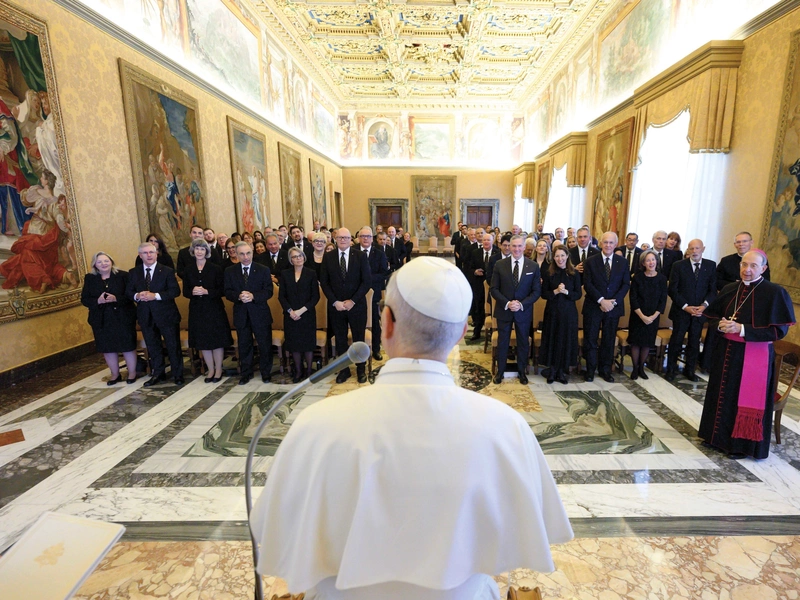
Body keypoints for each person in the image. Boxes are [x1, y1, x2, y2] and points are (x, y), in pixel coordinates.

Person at [250, 256, 573, 599]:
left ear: (386, 323)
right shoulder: (506, 426)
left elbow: (270, 531)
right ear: (462, 332)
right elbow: (524, 532)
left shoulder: (317, 425)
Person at [698, 250, 795, 459]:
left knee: (738, 396)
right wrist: (721, 325)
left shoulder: (774, 293)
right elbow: (712, 317)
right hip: (725, 353)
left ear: (763, 269)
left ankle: (740, 446)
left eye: (753, 266)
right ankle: (715, 438)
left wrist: (741, 329)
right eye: (744, 265)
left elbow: (778, 331)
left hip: (753, 355)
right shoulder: (730, 288)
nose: (747, 270)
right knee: (721, 393)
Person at [126, 242, 184, 386]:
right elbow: (128, 292)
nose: (149, 255)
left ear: (156, 253)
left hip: (166, 315)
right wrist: (137, 296)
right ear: (140, 255)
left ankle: (178, 374)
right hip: (145, 315)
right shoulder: (134, 272)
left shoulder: (167, 271)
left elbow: (174, 291)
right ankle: (158, 373)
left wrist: (155, 296)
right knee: (153, 346)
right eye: (145, 253)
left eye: (152, 252)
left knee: (173, 345)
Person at [320, 227, 372, 383]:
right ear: (335, 239)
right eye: (340, 237)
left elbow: (366, 282)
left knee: (358, 339)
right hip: (336, 307)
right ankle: (344, 370)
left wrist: (352, 301)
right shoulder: (328, 257)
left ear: (351, 240)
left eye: (346, 238)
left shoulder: (361, 256)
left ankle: (361, 369)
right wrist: (335, 302)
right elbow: (324, 282)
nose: (343, 240)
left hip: (356, 306)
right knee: (341, 340)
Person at [81, 251, 138, 385]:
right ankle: (115, 374)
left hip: (122, 316)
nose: (103, 264)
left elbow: (131, 295)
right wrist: (98, 301)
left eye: (106, 261)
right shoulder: (90, 278)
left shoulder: (123, 275)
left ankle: (132, 372)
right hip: (101, 318)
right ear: (95, 265)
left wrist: (116, 298)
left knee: (127, 345)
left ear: (111, 262)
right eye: (99, 262)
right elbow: (84, 299)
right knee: (107, 347)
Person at [490, 235, 541, 384]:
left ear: (524, 247)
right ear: (509, 247)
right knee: (503, 341)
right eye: (514, 246)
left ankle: (522, 372)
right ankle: (500, 372)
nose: (517, 249)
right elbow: (494, 289)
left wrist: (521, 304)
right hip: (504, 309)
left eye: (520, 246)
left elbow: (536, 291)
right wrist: (508, 303)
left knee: (523, 342)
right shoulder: (500, 264)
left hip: (523, 311)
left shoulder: (533, 266)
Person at [665, 239, 717, 382]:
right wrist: (686, 307)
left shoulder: (711, 266)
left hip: (700, 312)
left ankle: (690, 370)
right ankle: (670, 369)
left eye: (697, 248)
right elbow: (673, 290)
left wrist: (704, 305)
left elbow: (713, 290)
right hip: (681, 311)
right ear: (688, 250)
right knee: (676, 341)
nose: (694, 251)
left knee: (694, 342)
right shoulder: (678, 266)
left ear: (703, 249)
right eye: (691, 248)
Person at [582, 232, 630, 383]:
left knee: (609, 340)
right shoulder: (590, 261)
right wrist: (602, 300)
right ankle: (590, 370)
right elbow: (588, 284)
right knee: (590, 339)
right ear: (600, 243)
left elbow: (625, 284)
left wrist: (612, 302)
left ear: (616, 245)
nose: (608, 245)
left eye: (611, 243)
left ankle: (605, 370)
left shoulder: (622, 262)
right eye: (605, 242)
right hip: (594, 306)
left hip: (613, 308)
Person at [224, 241, 275, 384]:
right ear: (236, 254)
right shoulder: (230, 271)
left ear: (252, 252)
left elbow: (269, 291)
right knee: (244, 345)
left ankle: (266, 372)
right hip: (241, 313)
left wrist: (253, 296)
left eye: (248, 253)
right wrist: (238, 296)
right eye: (242, 254)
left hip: (260, 313)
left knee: (264, 345)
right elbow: (227, 292)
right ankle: (246, 373)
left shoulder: (263, 269)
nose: (245, 257)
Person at [183, 239, 232, 383]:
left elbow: (222, 290)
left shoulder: (215, 268)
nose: (199, 251)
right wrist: (192, 291)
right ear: (193, 251)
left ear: (207, 251)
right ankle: (210, 369)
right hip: (197, 309)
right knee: (203, 340)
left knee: (216, 340)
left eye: (202, 249)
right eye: (197, 248)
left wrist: (207, 291)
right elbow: (185, 291)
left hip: (214, 308)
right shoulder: (188, 269)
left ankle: (218, 369)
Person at [539, 246, 581, 384]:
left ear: (567, 256)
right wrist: (556, 291)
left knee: (565, 340)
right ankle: (552, 370)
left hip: (568, 313)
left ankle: (562, 371)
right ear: (553, 258)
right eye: (557, 256)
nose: (560, 259)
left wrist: (566, 292)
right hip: (552, 311)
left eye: (562, 256)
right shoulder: (548, 273)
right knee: (552, 339)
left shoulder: (574, 273)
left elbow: (578, 294)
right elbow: (544, 293)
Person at [279, 247, 320, 382]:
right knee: (294, 345)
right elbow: (281, 297)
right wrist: (291, 311)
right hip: (290, 316)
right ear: (291, 260)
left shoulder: (311, 273)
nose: (298, 258)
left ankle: (308, 371)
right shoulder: (285, 274)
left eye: (300, 256)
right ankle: (298, 371)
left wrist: (301, 310)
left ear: (304, 257)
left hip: (306, 314)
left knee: (307, 344)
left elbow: (315, 297)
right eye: (295, 257)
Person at [627, 250, 667, 380]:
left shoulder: (662, 278)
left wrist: (653, 317)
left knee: (646, 343)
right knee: (636, 342)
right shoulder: (637, 277)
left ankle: (641, 368)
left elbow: (663, 300)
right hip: (638, 315)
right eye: (648, 260)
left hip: (653, 317)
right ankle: (634, 368)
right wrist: (642, 316)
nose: (651, 262)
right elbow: (633, 298)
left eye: (653, 259)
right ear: (643, 263)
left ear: (657, 261)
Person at [359, 226, 389, 360]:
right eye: (363, 236)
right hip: (357, 293)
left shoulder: (379, 253)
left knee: (374, 322)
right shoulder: (354, 252)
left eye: (368, 236)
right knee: (359, 321)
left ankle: (376, 349)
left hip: (374, 292)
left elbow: (384, 273)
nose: (366, 239)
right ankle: (358, 351)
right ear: (359, 238)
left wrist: (368, 279)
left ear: (372, 239)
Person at [465, 233, 498, 340]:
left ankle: (494, 330)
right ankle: (477, 331)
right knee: (479, 308)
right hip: (479, 284)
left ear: (492, 241)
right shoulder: (475, 253)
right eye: (484, 240)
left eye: (488, 240)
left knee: (493, 308)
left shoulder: (497, 253)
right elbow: (468, 268)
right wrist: (474, 271)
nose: (486, 242)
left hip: (494, 286)